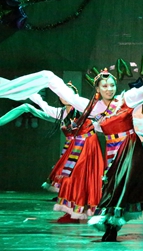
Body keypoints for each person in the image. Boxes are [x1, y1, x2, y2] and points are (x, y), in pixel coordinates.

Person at [0, 56, 143, 241]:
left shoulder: (127, 99)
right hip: (111, 153)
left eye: (112, 85)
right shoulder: (92, 108)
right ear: (98, 89)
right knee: (112, 189)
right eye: (105, 86)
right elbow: (66, 95)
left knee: (117, 189)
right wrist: (48, 78)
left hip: (129, 150)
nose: (109, 88)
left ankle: (110, 229)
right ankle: (111, 226)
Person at [0, 86, 105, 223]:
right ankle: (72, 212)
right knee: (68, 179)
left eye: (67, 93)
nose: (64, 96)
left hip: (88, 147)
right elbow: (42, 104)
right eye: (61, 94)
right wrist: (29, 91)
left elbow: (100, 121)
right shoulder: (60, 113)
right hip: (73, 149)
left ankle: (86, 210)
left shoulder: (84, 109)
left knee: (81, 179)